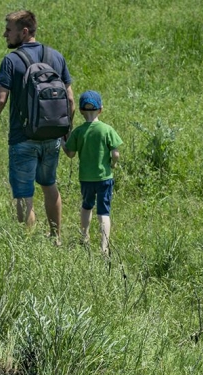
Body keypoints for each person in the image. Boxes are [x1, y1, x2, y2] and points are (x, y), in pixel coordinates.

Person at [0, 10, 74, 245]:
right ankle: (56, 238)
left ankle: (27, 245)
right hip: (52, 136)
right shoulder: (56, 57)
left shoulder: (12, 61)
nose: (4, 34)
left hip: (23, 139)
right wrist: (66, 132)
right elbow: (70, 99)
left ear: (24, 31)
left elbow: (0, 99)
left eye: (9, 30)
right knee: (49, 185)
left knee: (23, 194)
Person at [62, 90, 123, 255]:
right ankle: (104, 247)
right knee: (104, 212)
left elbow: (71, 154)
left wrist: (63, 142)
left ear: (81, 111)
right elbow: (116, 154)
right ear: (101, 109)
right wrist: (113, 164)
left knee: (86, 206)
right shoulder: (107, 130)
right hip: (104, 178)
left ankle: (85, 237)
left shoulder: (78, 132)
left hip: (86, 178)